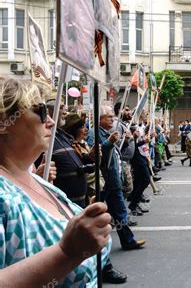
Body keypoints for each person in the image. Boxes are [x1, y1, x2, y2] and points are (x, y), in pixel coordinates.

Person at [0, 78, 126, 286]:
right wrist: (66, 253)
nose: (50, 121)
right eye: (41, 111)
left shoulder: (37, 181)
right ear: (4, 121)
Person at [87, 106, 146, 250]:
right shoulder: (93, 133)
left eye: (113, 117)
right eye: (109, 117)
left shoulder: (107, 132)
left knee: (120, 211)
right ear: (99, 119)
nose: (112, 119)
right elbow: (93, 155)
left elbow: (117, 152)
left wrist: (123, 141)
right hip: (102, 181)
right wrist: (108, 142)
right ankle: (88, 243)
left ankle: (128, 240)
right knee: (94, 212)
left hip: (113, 179)